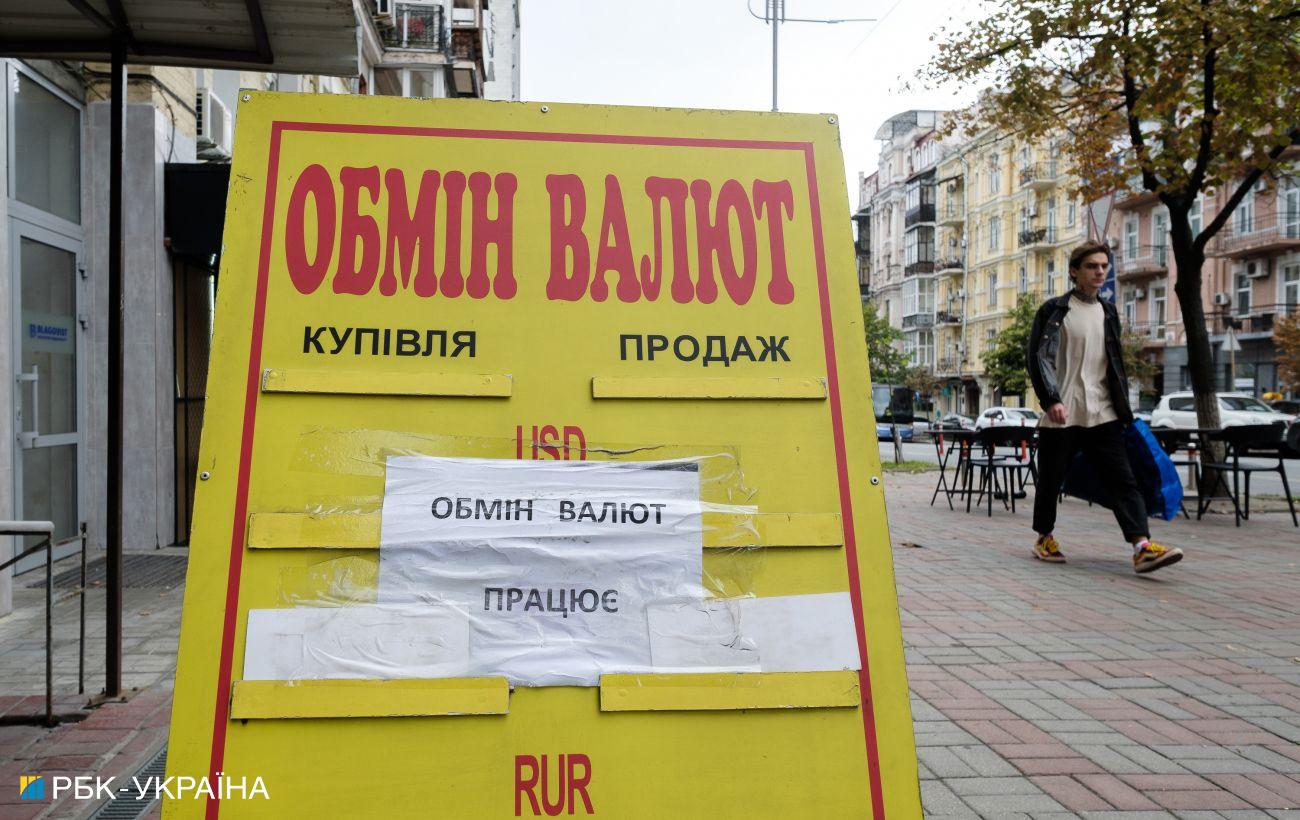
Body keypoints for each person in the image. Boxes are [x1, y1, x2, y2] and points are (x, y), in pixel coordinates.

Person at [1026, 242, 1184, 574]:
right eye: (1091, 266)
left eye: (1103, 266)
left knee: (1123, 479)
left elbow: (1114, 364)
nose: (1100, 272)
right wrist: (1051, 400)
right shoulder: (1053, 310)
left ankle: (1142, 547)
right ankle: (1044, 537)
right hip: (1062, 412)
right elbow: (1038, 358)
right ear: (1074, 271)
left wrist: (1123, 409)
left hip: (1103, 411)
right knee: (1051, 481)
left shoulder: (1109, 312)